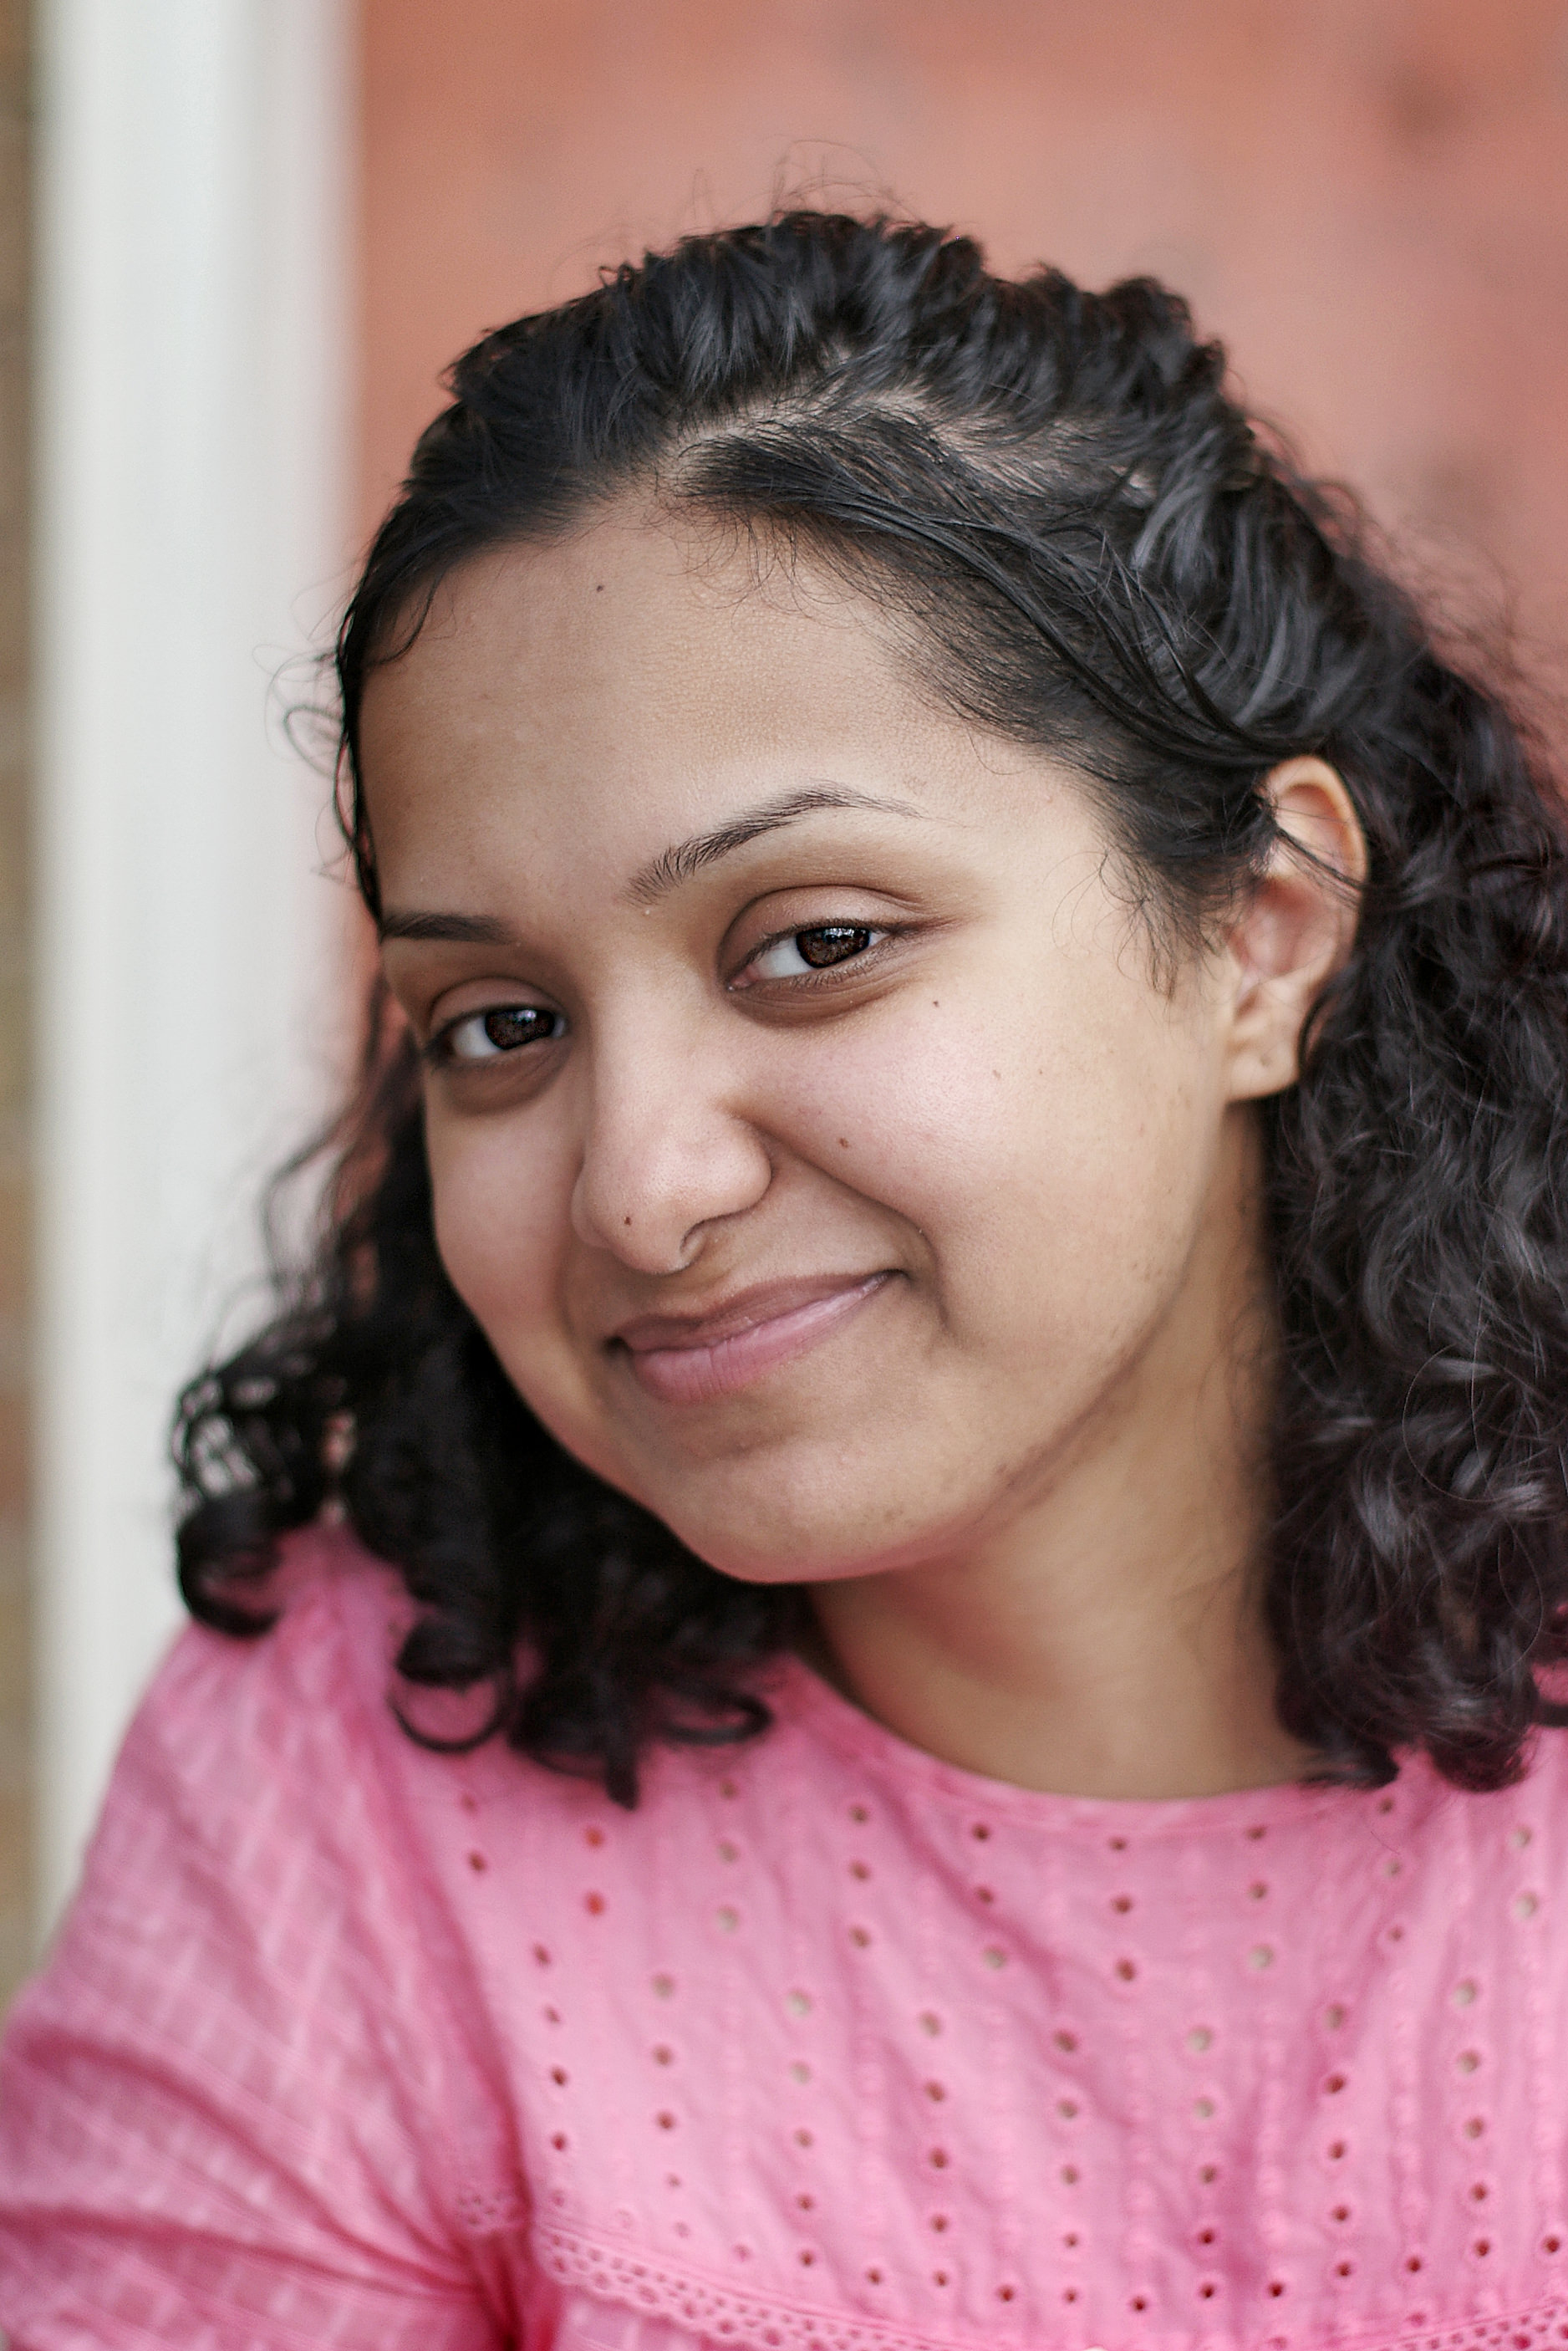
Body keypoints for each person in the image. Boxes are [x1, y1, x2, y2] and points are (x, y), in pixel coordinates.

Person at [3, 211, 1568, 2350]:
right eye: (500, 1023)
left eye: (816, 942)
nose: (639, 1189)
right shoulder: (342, 1784)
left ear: (1258, 932)